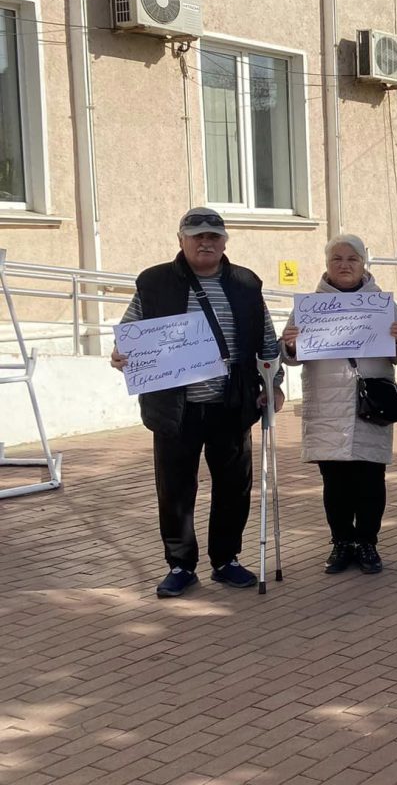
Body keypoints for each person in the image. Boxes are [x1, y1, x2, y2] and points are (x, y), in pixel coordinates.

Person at [110, 207, 284, 598]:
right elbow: (131, 335)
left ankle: (226, 560)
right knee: (174, 490)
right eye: (197, 236)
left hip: (231, 402)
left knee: (233, 486)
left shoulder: (245, 283)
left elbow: (267, 340)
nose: (206, 243)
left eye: (213, 237)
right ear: (181, 240)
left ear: (224, 242)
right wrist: (121, 356)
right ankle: (180, 565)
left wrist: (274, 382)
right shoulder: (154, 282)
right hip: (175, 408)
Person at [278, 235, 397, 575]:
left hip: (370, 403)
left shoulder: (382, 303)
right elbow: (288, 356)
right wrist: (291, 345)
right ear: (327, 264)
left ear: (363, 263)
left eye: (352, 258)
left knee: (371, 477)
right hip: (327, 405)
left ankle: (367, 542)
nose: (344, 264)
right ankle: (342, 542)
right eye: (336, 258)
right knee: (335, 481)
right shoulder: (308, 306)